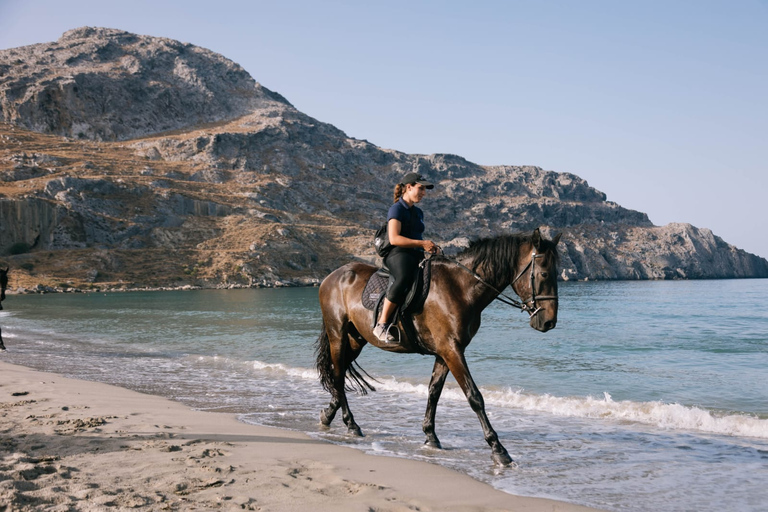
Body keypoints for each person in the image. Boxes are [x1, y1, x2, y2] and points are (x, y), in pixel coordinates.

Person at [374, 173, 440, 343]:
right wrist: (422, 243)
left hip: (416, 253)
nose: (424, 192)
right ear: (409, 187)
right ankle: (381, 324)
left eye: (425, 189)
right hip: (397, 253)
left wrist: (430, 247)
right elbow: (395, 238)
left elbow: (417, 237)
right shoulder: (396, 209)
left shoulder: (418, 212)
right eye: (421, 188)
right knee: (403, 278)